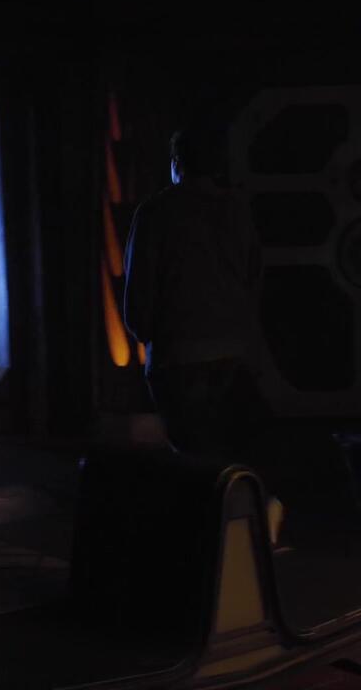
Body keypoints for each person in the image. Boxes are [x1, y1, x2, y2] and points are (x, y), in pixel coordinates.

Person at [123, 117, 265, 464]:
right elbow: (254, 278)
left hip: (177, 356)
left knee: (190, 457)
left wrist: (146, 333)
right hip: (232, 353)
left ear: (177, 163)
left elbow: (140, 287)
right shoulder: (238, 210)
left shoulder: (156, 212)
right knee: (226, 456)